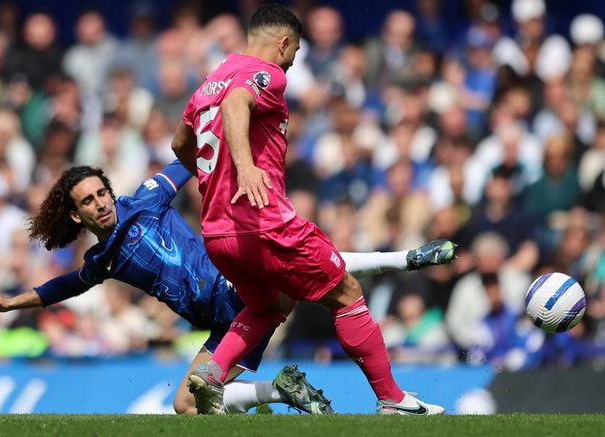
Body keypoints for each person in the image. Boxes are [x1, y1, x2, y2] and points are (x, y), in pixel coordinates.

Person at [0, 161, 455, 415]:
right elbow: (64, 286)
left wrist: (218, 131)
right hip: (221, 325)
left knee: (305, 277)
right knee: (186, 405)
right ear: (77, 215)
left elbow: (187, 159)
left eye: (101, 192)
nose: (100, 203)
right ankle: (283, 390)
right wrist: (10, 303)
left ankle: (404, 259)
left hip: (237, 291)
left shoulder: (147, 199)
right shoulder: (101, 261)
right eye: (88, 201)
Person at [171, 3, 455, 415]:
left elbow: (180, 143)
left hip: (217, 232)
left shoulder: (210, 81)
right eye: (296, 50)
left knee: (268, 306)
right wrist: (245, 169)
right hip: (263, 222)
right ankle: (392, 400)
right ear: (283, 43)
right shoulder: (267, 73)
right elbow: (236, 104)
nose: (293, 59)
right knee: (346, 293)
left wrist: (211, 181)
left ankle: (213, 372)